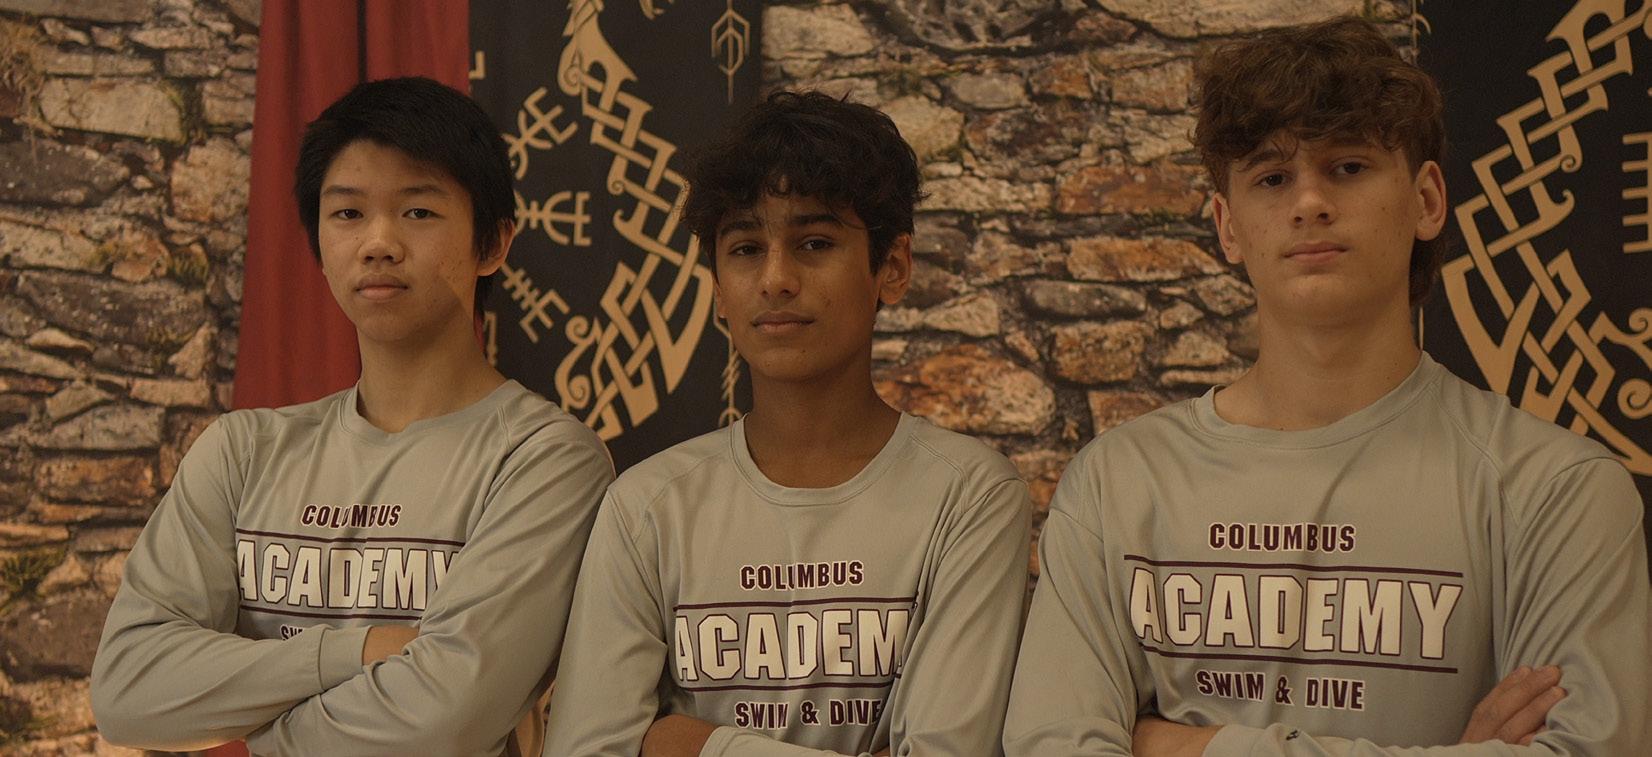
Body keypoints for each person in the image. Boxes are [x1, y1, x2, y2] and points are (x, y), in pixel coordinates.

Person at [1003, 16, 1651, 756]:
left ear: (1427, 200)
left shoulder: (1555, 489)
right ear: (1228, 226)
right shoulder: (1116, 485)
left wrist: (1180, 745)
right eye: (1272, 177)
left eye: (1348, 166)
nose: (1309, 201)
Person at [90, 77, 613, 756]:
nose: (378, 242)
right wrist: (356, 650)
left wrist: (255, 721)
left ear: (492, 243)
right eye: (347, 213)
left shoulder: (545, 459)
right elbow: (128, 690)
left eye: (418, 211)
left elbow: (440, 721)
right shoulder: (243, 451)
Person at [542, 90, 1032, 757]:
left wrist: (686, 743)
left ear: (891, 268)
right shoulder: (647, 506)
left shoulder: (970, 496)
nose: (775, 278)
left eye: (815, 242)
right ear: (717, 286)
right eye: (746, 247)